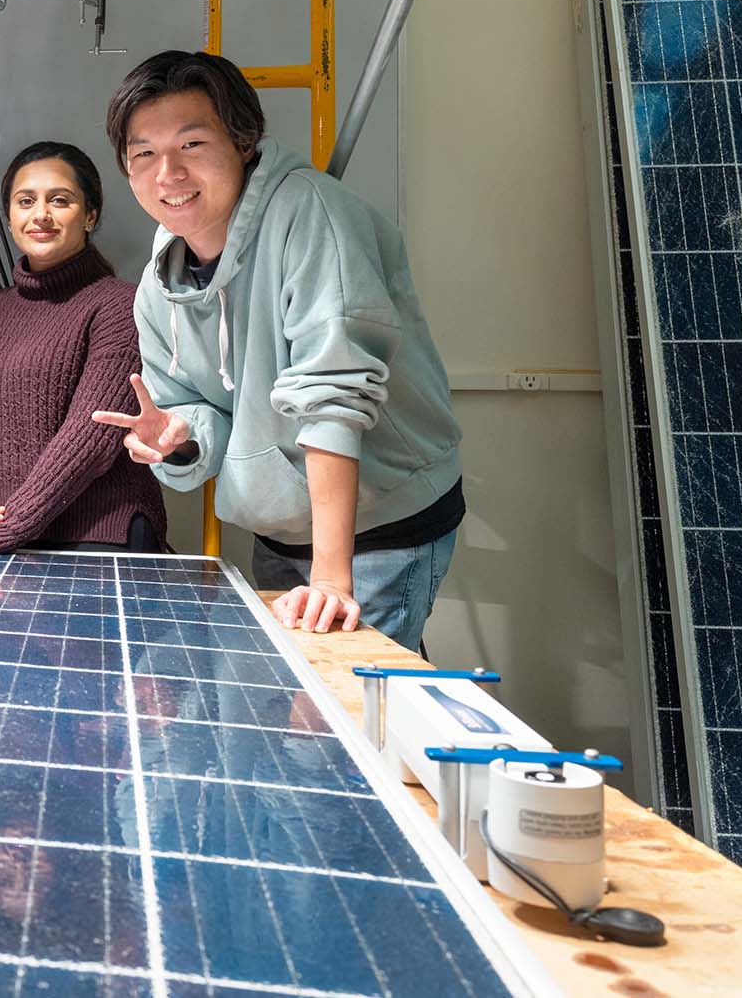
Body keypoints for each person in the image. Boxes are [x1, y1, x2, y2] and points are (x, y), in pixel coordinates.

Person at [92, 50, 463, 652]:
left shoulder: (311, 214)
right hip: (281, 530)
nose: (168, 173)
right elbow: (201, 407)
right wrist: (180, 434)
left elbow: (331, 397)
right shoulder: (160, 279)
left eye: (191, 145)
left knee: (356, 708)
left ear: (243, 140)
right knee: (306, 716)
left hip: (379, 523)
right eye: (144, 154)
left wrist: (330, 577)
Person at [0, 142, 166, 558]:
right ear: (10, 217)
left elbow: (90, 438)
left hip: (97, 535)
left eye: (60, 200)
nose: (41, 215)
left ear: (90, 215)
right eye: (25, 201)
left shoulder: (121, 305)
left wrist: (12, 524)